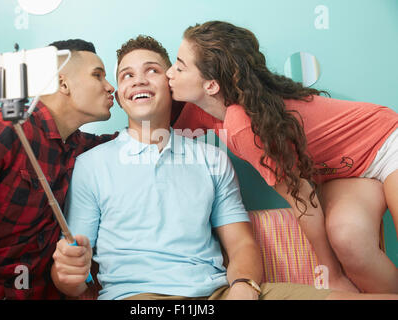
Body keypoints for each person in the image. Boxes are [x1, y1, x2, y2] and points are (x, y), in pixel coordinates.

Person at [51, 35, 398, 300]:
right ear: (119, 93)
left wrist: (245, 284)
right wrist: (66, 275)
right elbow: (74, 268)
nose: (138, 80)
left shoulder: (212, 155)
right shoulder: (91, 164)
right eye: (126, 75)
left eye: (152, 71)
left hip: (219, 294)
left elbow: (242, 245)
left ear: (171, 85)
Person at [166, 20, 398, 293]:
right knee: (349, 239)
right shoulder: (201, 110)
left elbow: (300, 196)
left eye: (179, 67)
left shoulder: (243, 124)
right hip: (347, 172)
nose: (170, 73)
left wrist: (330, 274)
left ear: (212, 85)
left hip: (386, 142)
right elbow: (152, 122)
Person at [0, 39, 117, 299]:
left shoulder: (79, 146)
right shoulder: (5, 129)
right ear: (63, 83)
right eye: (98, 76)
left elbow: (133, 142)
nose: (110, 87)